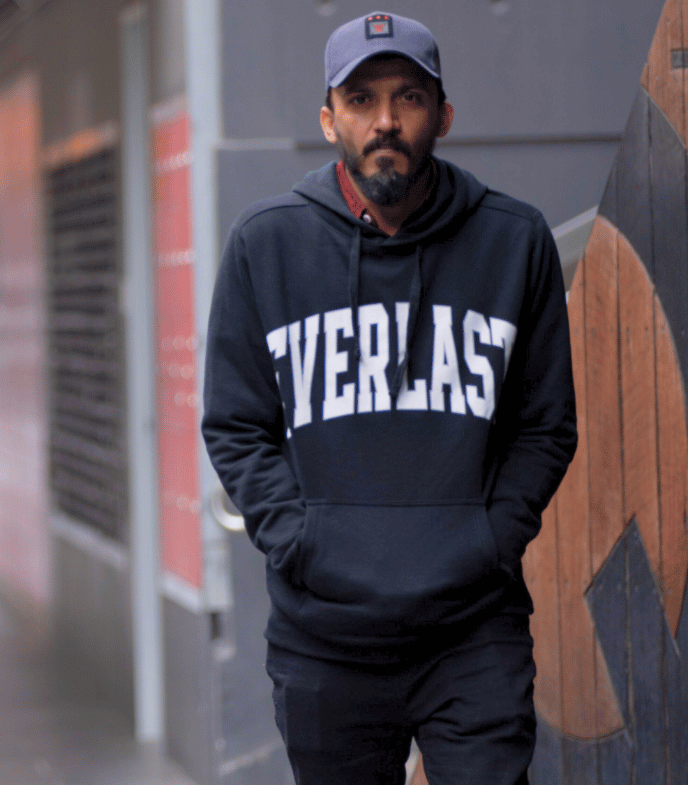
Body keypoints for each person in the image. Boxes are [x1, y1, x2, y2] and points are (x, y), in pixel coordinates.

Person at [201, 12, 576, 785]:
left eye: (407, 97)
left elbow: (544, 425)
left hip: (472, 629)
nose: (384, 121)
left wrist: (488, 538)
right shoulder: (264, 244)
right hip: (323, 634)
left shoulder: (513, 240)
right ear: (327, 117)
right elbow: (236, 426)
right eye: (360, 98)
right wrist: (302, 541)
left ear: (440, 115)